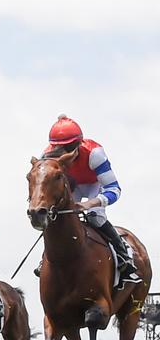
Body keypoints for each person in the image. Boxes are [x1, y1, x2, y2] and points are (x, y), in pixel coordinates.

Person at [42, 115, 138, 280]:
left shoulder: (95, 154)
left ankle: (123, 255)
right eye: (59, 148)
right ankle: (45, 259)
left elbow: (114, 189)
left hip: (94, 184)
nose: (63, 154)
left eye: (68, 148)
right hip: (72, 185)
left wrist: (91, 204)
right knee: (55, 219)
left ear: (78, 144)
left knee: (96, 216)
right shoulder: (47, 155)